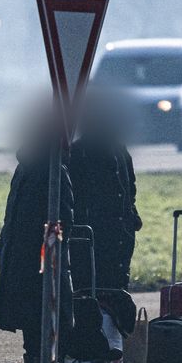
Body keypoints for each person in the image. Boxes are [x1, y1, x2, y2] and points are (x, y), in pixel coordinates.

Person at [0, 120, 74, 363]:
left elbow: (64, 217)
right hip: (24, 252)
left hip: (39, 255)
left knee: (42, 310)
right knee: (30, 311)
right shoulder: (32, 168)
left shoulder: (47, 170)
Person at [68, 98, 142, 291]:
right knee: (92, 285)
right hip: (93, 233)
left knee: (115, 286)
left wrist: (130, 216)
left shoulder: (119, 150)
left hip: (118, 233)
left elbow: (129, 186)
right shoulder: (78, 153)